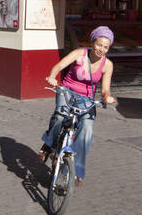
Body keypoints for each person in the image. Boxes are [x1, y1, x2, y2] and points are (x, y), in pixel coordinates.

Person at [38, 27, 117, 185]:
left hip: (87, 99)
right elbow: (58, 66)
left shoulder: (107, 65)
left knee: (87, 131)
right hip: (67, 92)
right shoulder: (79, 54)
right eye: (99, 44)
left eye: (106, 47)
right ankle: (49, 144)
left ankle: (77, 170)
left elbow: (105, 90)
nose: (101, 49)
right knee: (60, 116)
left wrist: (107, 97)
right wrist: (52, 77)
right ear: (92, 42)